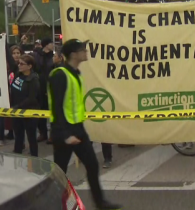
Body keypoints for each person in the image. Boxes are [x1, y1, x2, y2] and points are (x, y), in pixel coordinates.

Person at [48, 39, 122, 209]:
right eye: (83, 50)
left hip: (78, 129)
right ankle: (50, 204)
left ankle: (100, 203)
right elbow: (57, 107)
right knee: (59, 173)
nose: (86, 52)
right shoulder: (60, 75)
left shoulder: (76, 73)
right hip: (64, 131)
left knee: (92, 165)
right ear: (74, 54)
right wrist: (64, 135)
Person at [10, 55, 40, 156]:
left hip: (29, 112)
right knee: (18, 136)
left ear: (30, 66)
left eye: (22, 64)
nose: (19, 65)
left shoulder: (33, 79)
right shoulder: (18, 74)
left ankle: (34, 159)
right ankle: (17, 155)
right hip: (17, 111)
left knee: (31, 138)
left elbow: (31, 98)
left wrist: (17, 106)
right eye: (19, 63)